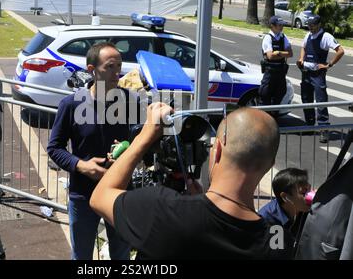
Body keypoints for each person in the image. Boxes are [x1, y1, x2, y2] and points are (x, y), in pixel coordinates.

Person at [90, 104, 294, 259]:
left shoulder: (162, 209)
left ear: (218, 151)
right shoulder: (279, 241)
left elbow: (100, 196)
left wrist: (145, 136)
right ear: (270, 165)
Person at [47, 42, 138, 260]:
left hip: (119, 193)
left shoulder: (131, 102)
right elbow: (54, 147)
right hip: (83, 195)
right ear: (91, 70)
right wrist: (82, 166)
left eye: (120, 66)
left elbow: (140, 142)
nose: (118, 73)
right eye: (110, 67)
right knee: (82, 255)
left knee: (121, 254)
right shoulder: (71, 105)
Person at [297, 15, 345, 143]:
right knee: (306, 99)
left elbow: (340, 51)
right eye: (309, 25)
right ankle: (309, 125)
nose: (310, 27)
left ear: (319, 24)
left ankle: (324, 129)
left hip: (318, 73)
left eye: (312, 25)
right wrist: (301, 59)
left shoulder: (326, 36)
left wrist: (329, 64)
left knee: (321, 101)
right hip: (306, 72)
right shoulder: (308, 35)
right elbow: (303, 47)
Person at [259, 168, 311, 238]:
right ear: (285, 197)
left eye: (309, 189)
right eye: (304, 193)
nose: (310, 195)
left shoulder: (306, 210)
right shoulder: (268, 222)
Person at [259, 16, 293, 109]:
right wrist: (283, 54)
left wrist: (278, 52)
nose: (282, 27)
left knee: (280, 93)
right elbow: (270, 56)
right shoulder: (268, 38)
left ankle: (273, 116)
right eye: (279, 25)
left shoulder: (283, 37)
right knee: (265, 95)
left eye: (282, 25)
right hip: (270, 72)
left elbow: (290, 53)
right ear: (272, 26)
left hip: (281, 72)